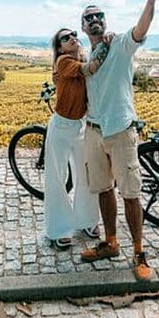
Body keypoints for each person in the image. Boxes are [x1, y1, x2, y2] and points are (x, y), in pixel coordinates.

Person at [79, 0, 156, 281]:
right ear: (84, 27)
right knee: (103, 190)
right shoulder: (85, 57)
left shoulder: (122, 43)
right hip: (93, 131)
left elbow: (142, 27)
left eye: (99, 15)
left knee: (130, 193)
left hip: (121, 131)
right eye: (89, 18)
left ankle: (139, 252)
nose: (95, 19)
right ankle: (111, 242)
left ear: (105, 23)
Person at [44, 28, 110, 249]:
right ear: (60, 47)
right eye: (65, 37)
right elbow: (90, 69)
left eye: (73, 34)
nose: (72, 37)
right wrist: (107, 44)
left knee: (87, 176)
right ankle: (60, 228)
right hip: (61, 127)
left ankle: (88, 221)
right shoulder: (63, 62)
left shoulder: (81, 57)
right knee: (57, 177)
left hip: (82, 126)